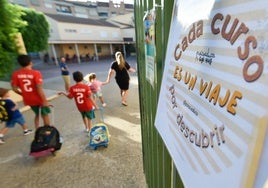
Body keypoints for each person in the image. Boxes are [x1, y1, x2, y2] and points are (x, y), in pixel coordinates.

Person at [11, 54, 51, 129]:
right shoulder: (36, 73)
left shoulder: (16, 74)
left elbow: (15, 89)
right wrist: (44, 101)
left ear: (20, 64)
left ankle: (37, 131)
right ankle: (47, 132)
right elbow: (39, 88)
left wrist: (23, 94)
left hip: (28, 99)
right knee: (45, 115)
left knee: (37, 114)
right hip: (38, 99)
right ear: (30, 62)